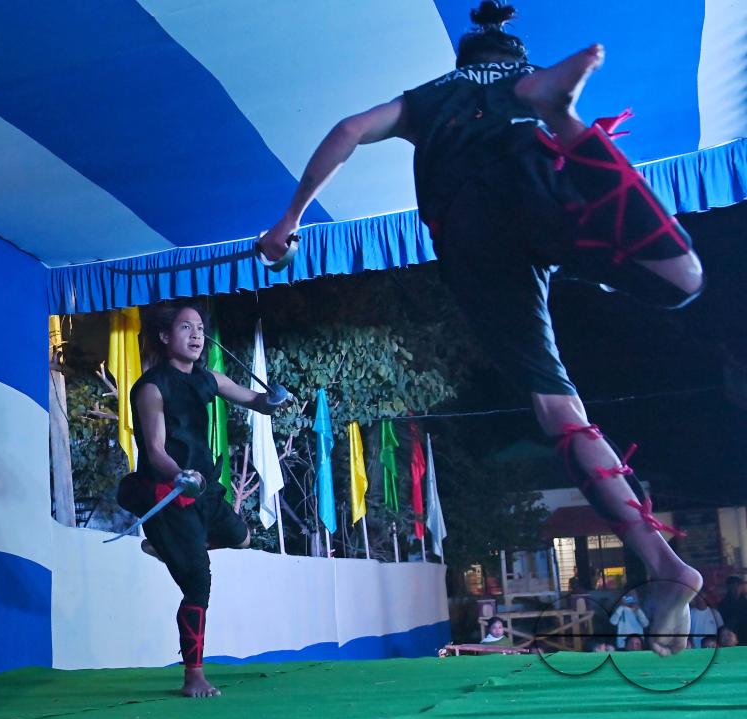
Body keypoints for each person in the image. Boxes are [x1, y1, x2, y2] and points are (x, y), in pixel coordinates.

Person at [260, 0, 704, 655]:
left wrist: (289, 218)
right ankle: (566, 118)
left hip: (476, 227)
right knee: (681, 279)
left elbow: (350, 128)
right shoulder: (512, 85)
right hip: (544, 195)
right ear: (518, 66)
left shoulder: (429, 97)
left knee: (556, 406)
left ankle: (667, 567)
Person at [118, 302, 291, 698]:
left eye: (199, 328)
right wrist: (178, 473)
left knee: (244, 537)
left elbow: (254, 400)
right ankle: (193, 674)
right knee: (198, 582)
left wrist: (274, 400)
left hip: (207, 489)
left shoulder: (208, 378)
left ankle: (169, 548)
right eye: (185, 327)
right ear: (165, 337)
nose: (196, 335)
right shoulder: (150, 387)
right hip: (172, 491)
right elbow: (155, 448)